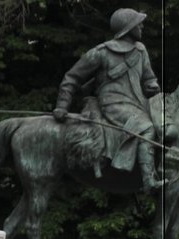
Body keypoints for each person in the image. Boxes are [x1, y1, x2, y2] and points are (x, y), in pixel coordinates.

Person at [53, 8, 162, 192]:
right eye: (138, 23)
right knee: (147, 128)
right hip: (114, 105)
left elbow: (149, 79)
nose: (142, 26)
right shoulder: (101, 53)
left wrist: (152, 86)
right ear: (128, 28)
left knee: (165, 126)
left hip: (139, 104)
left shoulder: (141, 51)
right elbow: (72, 78)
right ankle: (149, 180)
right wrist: (62, 106)